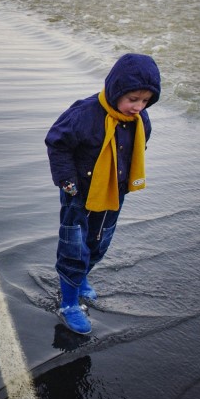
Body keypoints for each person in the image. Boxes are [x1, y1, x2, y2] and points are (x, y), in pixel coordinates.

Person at [44, 53, 161, 334]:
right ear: (116, 88)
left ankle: (83, 276)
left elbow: (138, 148)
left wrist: (123, 178)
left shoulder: (140, 120)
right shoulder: (84, 114)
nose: (138, 106)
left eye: (145, 101)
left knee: (100, 242)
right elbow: (57, 143)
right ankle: (69, 302)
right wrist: (66, 180)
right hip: (79, 193)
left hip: (113, 194)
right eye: (133, 99)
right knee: (75, 245)